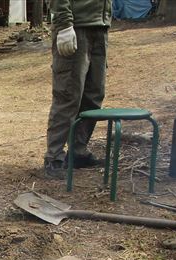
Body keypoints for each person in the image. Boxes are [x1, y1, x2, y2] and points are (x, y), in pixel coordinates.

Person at [44, 0, 112, 178]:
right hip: (75, 27)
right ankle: (54, 158)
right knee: (68, 95)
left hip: (100, 26)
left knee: (94, 96)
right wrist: (65, 24)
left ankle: (78, 152)